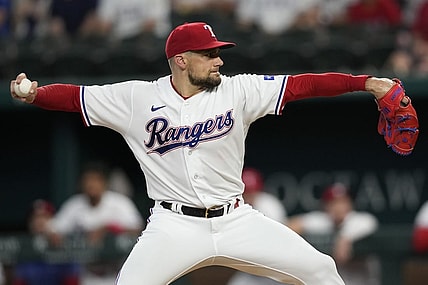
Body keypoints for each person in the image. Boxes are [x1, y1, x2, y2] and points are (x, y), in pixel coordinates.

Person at [9, 21, 414, 285]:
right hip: (173, 225)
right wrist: (33, 94)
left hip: (236, 218)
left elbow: (303, 85)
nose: (219, 59)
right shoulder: (136, 98)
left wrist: (366, 83)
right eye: (210, 53)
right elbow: (75, 96)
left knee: (322, 270)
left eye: (218, 51)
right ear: (181, 61)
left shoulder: (237, 90)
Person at [45, 161, 144, 285]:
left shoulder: (119, 203)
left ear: (104, 183)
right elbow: (53, 228)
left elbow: (138, 228)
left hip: (117, 273)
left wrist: (108, 228)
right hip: (89, 274)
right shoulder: (75, 205)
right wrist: (54, 234)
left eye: (96, 180)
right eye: (88, 180)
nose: (91, 184)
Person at [287, 182, 380, 285]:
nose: (339, 207)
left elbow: (369, 222)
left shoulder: (358, 219)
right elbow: (293, 224)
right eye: (333, 203)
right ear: (325, 206)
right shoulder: (324, 220)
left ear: (350, 203)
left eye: (343, 202)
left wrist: (345, 239)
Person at [227, 167, 287, 285]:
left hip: (275, 270)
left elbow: (276, 241)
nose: (249, 196)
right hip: (251, 272)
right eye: (246, 192)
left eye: (252, 192)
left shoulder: (270, 205)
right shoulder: (234, 205)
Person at [12, 199, 81, 285]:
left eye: (45, 217)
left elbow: (72, 280)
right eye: (35, 218)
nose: (39, 222)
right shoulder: (23, 250)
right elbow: (19, 281)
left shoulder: (65, 247)